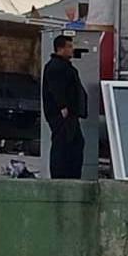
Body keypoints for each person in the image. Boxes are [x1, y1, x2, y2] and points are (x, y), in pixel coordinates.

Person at [42, 34, 88, 179]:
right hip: (62, 115)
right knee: (62, 145)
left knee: (75, 143)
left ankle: (71, 175)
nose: (72, 49)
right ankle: (60, 176)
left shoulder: (64, 66)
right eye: (69, 46)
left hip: (70, 113)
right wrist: (62, 107)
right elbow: (56, 89)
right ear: (60, 48)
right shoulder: (56, 67)